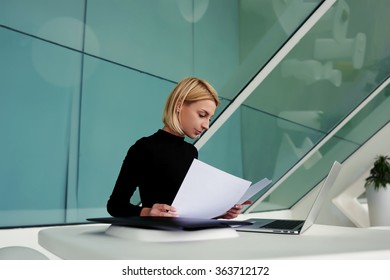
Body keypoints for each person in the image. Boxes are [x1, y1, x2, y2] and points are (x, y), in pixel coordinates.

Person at [107, 77, 250, 219]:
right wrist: (147, 212)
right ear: (179, 105)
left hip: (186, 235)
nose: (206, 125)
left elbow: (190, 208)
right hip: (156, 236)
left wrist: (223, 212)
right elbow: (115, 205)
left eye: (209, 118)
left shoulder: (191, 152)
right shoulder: (144, 148)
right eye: (202, 115)